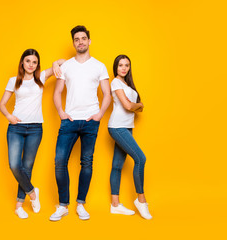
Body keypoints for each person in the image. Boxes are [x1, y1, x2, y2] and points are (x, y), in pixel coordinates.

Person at [49, 25, 111, 221]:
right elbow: (57, 92)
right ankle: (62, 205)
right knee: (60, 162)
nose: (80, 42)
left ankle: (81, 204)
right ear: (73, 43)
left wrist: (100, 113)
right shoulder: (66, 66)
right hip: (69, 120)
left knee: (86, 163)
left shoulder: (99, 66)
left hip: (91, 121)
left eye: (83, 38)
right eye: (77, 39)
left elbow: (107, 93)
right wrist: (61, 112)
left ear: (89, 41)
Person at [0, 49, 64, 219]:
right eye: (28, 61)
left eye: (34, 62)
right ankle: (33, 193)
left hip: (35, 128)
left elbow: (63, 61)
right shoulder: (14, 81)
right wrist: (9, 116)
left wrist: (55, 64)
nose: (31, 65)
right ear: (22, 62)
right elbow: (2, 104)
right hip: (16, 128)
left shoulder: (41, 77)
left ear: (37, 65)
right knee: (14, 165)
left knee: (27, 167)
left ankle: (19, 206)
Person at [107, 54, 152, 219]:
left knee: (117, 165)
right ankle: (141, 200)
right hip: (117, 126)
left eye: (126, 65)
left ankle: (115, 205)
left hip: (127, 126)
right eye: (120, 65)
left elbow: (133, 106)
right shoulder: (115, 82)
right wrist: (138, 105)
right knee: (141, 159)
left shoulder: (127, 85)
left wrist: (136, 106)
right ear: (116, 67)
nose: (124, 68)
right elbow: (127, 106)